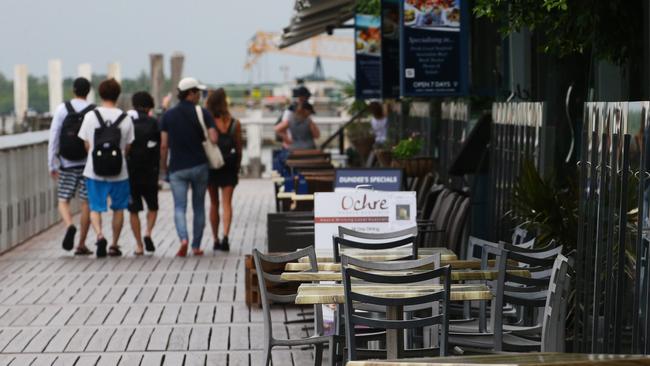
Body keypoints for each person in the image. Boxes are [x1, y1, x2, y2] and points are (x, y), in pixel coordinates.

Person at [160, 77, 218, 257]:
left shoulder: (168, 115)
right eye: (197, 92)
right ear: (190, 93)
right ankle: (196, 246)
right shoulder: (202, 113)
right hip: (200, 165)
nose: (199, 95)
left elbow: (163, 145)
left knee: (179, 207)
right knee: (199, 206)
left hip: (177, 168)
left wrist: (164, 167)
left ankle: (183, 239)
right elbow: (214, 138)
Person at [78, 78, 134, 257]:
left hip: (94, 171)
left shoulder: (90, 116)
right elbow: (128, 147)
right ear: (117, 95)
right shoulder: (125, 118)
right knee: (118, 208)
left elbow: (87, 145)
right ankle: (115, 244)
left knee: (96, 207)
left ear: (100, 94)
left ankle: (100, 235)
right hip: (120, 171)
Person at [47, 77, 95, 255]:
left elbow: (54, 137)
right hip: (87, 164)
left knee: (63, 200)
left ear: (74, 91)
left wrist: (52, 163)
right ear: (88, 91)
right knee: (86, 203)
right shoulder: (93, 110)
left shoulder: (62, 109)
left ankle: (69, 225)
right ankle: (81, 244)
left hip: (66, 163)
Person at [205, 88, 243, 252]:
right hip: (229, 166)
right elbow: (239, 148)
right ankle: (226, 236)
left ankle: (215, 239)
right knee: (227, 203)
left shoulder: (207, 122)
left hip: (212, 165)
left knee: (214, 203)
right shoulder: (234, 123)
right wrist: (237, 167)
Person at [126, 92, 160, 255]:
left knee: (134, 210)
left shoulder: (129, 123)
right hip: (150, 172)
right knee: (152, 207)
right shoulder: (154, 123)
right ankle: (148, 233)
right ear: (149, 106)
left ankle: (139, 244)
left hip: (132, 172)